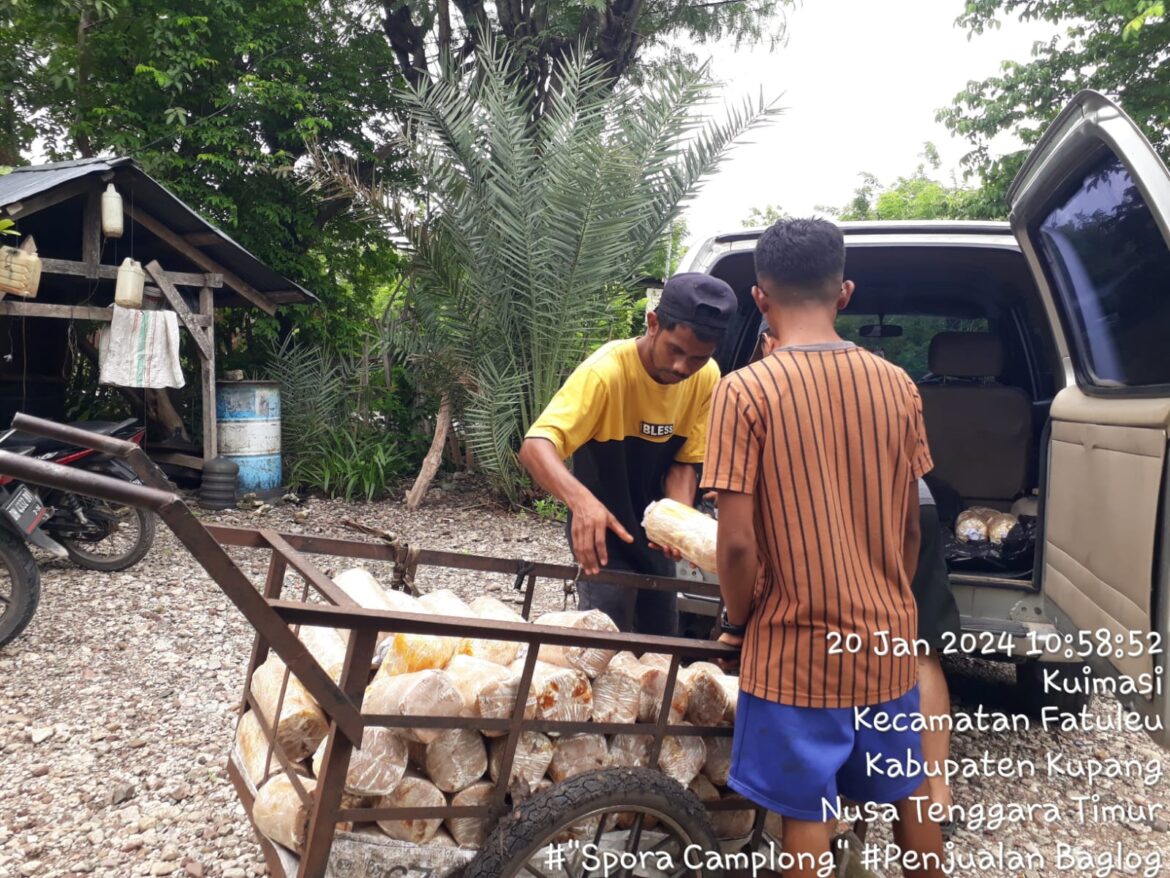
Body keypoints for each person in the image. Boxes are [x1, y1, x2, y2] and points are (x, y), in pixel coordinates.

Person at [702, 218, 944, 878]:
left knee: (807, 816)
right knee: (909, 785)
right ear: (845, 294)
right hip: (887, 640)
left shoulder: (744, 391)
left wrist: (740, 618)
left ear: (759, 298)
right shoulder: (898, 386)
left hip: (798, 651)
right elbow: (913, 525)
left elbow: (739, 544)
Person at [519, 273, 738, 635]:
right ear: (653, 324)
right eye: (675, 350)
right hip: (604, 532)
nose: (683, 368)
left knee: (660, 642)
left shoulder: (707, 377)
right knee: (607, 641)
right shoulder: (606, 373)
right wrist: (581, 503)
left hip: (655, 535)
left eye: (698, 358)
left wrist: (679, 520)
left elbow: (683, 463)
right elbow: (535, 447)